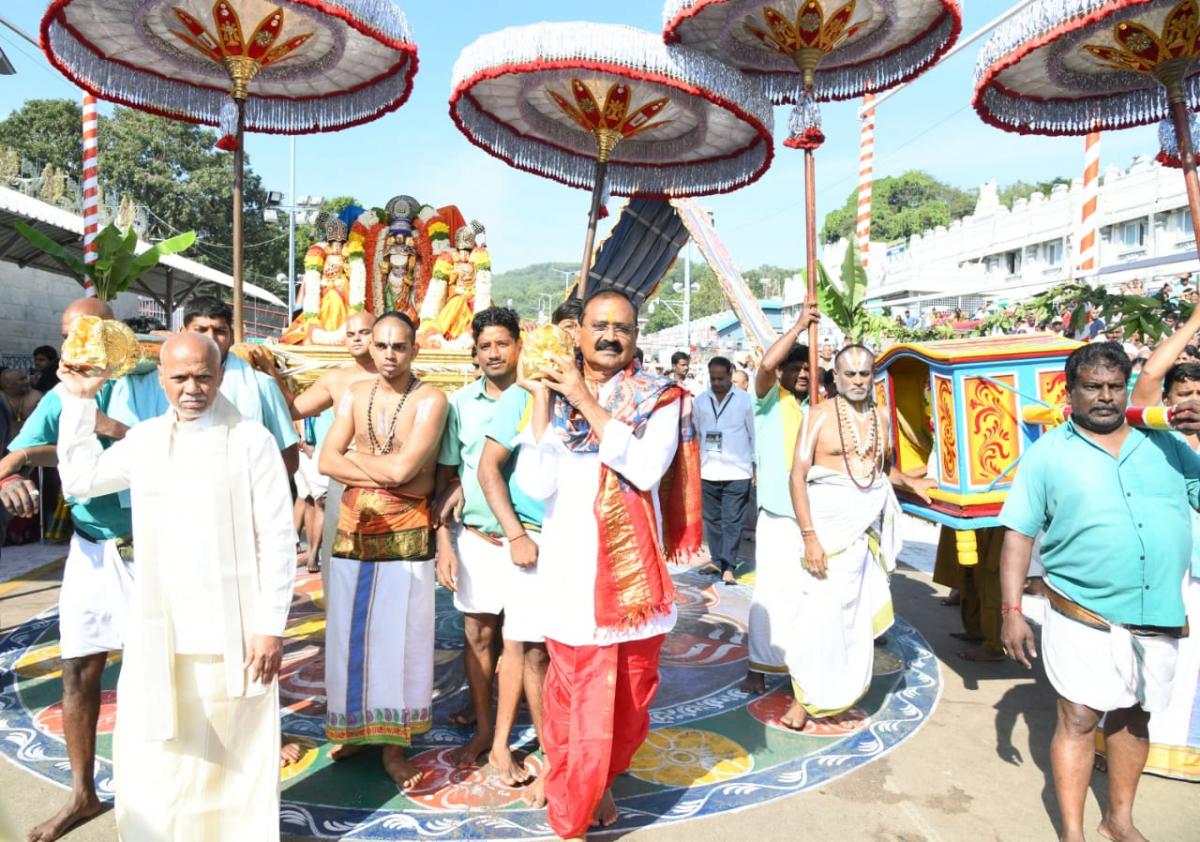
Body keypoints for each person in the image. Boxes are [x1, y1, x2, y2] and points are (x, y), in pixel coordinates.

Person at [54, 332, 295, 841]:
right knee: (161, 754)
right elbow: (78, 480)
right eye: (180, 377)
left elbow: (277, 537)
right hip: (159, 629)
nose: (192, 388)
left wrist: (271, 627)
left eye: (203, 376)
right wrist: (78, 400)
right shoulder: (143, 440)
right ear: (161, 379)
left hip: (234, 632)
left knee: (234, 755)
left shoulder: (252, 440)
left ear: (221, 376)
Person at [515, 289, 702, 839]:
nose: (609, 335)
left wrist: (582, 395)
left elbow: (643, 468)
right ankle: (569, 810)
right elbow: (534, 484)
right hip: (572, 580)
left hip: (632, 587)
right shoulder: (553, 393)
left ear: (636, 337)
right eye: (599, 325)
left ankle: (599, 782)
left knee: (629, 702)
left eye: (622, 327)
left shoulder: (660, 399)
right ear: (578, 333)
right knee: (575, 702)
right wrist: (547, 401)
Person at [999, 342, 1200, 842]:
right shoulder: (1048, 453)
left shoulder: (1166, 444)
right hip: (1079, 610)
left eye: (1115, 386)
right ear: (1070, 392)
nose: (1106, 397)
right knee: (1080, 717)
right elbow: (1018, 536)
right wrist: (1011, 611)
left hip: (1157, 609)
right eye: (1093, 387)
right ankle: (1074, 832)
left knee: (1135, 715)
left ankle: (1119, 819)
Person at [0, 297, 145, 842]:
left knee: (159, 673)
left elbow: (182, 446)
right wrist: (8, 476)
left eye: (89, 331)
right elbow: (23, 452)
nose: (76, 344)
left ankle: (159, 792)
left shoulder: (148, 382)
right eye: (68, 334)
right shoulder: (62, 392)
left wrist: (111, 425)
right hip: (90, 549)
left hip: (153, 548)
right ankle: (83, 794)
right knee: (78, 668)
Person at [318, 312, 448, 788]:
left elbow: (406, 468)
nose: (390, 355)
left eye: (399, 347)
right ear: (370, 349)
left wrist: (355, 461)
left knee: (401, 641)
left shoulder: (431, 399)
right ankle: (355, 729)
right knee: (349, 638)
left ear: (415, 350)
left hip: (406, 534)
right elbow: (325, 459)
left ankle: (395, 747)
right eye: (382, 346)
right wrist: (391, 470)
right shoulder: (354, 394)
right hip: (353, 529)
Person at [783, 346, 933, 730]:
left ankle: (838, 692)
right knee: (816, 616)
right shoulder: (818, 416)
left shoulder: (882, 417)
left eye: (864, 374)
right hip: (827, 530)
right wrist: (810, 537)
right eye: (849, 374)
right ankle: (804, 697)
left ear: (872, 376)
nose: (857, 381)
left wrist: (913, 483)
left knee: (851, 618)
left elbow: (882, 472)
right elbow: (797, 476)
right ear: (836, 377)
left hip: (864, 529)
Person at [434, 307, 540, 776]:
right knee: (478, 635)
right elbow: (444, 478)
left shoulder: (542, 396)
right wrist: (443, 542)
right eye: (484, 347)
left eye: (502, 343)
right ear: (474, 354)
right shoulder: (459, 405)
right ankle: (484, 730)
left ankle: (538, 734)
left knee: (530, 645)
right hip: (477, 537)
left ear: (519, 345)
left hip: (532, 541)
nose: (494, 353)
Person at [254, 310, 378, 573]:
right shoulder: (336, 379)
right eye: (350, 334)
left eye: (364, 333)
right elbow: (293, 409)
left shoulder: (395, 376)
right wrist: (269, 369)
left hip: (387, 480)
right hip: (344, 479)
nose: (357, 339)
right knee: (340, 566)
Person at [740, 307, 818, 695]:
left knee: (807, 595)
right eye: (797, 367)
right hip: (775, 514)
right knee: (771, 593)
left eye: (809, 368)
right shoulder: (768, 399)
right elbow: (767, 363)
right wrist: (800, 326)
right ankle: (757, 667)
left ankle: (799, 666)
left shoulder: (817, 408)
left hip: (812, 517)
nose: (803, 373)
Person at [694, 356, 755, 584]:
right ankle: (717, 560)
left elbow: (753, 434)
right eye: (713, 378)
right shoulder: (700, 401)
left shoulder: (745, 401)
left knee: (732, 520)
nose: (717, 383)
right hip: (708, 469)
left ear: (731, 374)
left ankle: (729, 565)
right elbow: (698, 435)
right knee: (712, 519)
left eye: (721, 378)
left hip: (737, 471)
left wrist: (754, 465)